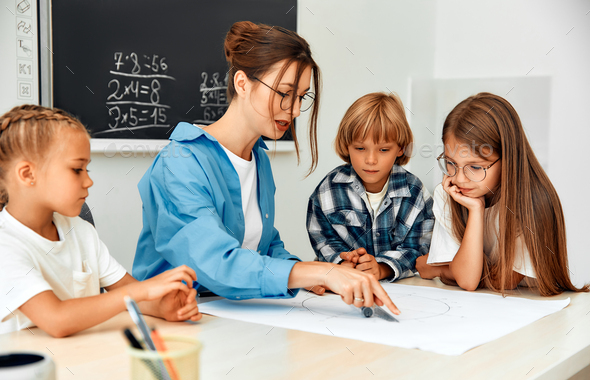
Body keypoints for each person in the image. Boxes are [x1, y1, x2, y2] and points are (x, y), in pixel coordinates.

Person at [132, 21, 399, 314]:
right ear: (242, 83)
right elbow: (216, 263)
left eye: (301, 97)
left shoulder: (257, 158)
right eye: (284, 93)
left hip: (235, 314)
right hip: (175, 320)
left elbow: (265, 246)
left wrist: (311, 272)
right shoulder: (179, 163)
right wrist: (319, 273)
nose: (295, 110)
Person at [0, 105, 201, 337]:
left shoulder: (81, 231)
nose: (88, 181)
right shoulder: (6, 245)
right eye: (77, 169)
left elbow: (126, 289)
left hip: (86, 359)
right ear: (27, 174)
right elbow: (57, 319)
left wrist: (162, 307)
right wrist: (143, 291)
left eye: (87, 169)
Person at [415, 92, 589, 296]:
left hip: (528, 308)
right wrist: (476, 209)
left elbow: (503, 280)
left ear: (508, 159)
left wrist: (440, 269)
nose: (460, 179)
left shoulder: (532, 202)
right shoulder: (449, 193)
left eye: (475, 167)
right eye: (451, 163)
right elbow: (468, 280)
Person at [307, 92, 434, 282]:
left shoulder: (414, 192)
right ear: (347, 145)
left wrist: (382, 268)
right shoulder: (329, 189)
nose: (371, 160)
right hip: (343, 285)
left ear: (400, 148)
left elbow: (418, 247)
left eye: (383, 150)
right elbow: (322, 238)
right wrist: (343, 264)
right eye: (360, 148)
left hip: (403, 290)